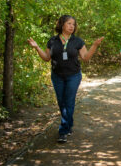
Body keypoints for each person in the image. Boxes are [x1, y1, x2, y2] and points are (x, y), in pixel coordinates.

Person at [27, 15, 104, 143]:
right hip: (57, 76)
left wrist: (95, 45)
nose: (72, 26)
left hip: (73, 76)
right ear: (62, 24)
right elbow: (46, 57)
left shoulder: (77, 41)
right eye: (69, 23)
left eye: (73, 24)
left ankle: (63, 131)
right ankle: (69, 124)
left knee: (68, 102)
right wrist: (37, 47)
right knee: (61, 103)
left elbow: (85, 58)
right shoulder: (52, 41)